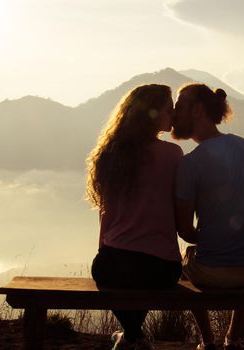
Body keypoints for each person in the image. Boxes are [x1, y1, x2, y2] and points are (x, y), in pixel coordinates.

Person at [172, 83, 244, 350]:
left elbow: (184, 230)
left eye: (179, 107)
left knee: (183, 263)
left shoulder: (190, 164)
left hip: (213, 274)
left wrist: (212, 241)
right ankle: (232, 340)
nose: (174, 114)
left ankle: (207, 342)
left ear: (197, 110)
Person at [86, 84, 183, 350]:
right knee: (143, 279)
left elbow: (105, 216)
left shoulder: (110, 155)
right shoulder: (173, 155)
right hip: (161, 268)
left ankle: (130, 336)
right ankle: (133, 337)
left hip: (113, 265)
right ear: (151, 115)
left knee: (117, 277)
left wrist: (103, 252)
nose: (173, 115)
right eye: (168, 109)